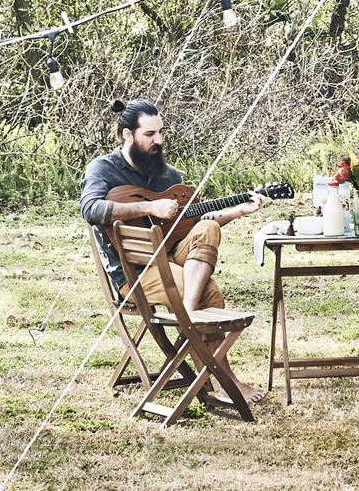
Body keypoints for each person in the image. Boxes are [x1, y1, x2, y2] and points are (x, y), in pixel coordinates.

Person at [79, 99, 266, 404]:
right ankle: (226, 380)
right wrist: (148, 206)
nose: (159, 141)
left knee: (209, 229)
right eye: (150, 134)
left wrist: (238, 211)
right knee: (213, 295)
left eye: (161, 133)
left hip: (170, 256)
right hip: (134, 272)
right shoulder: (103, 169)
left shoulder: (169, 177)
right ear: (128, 135)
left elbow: (194, 222)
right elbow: (91, 209)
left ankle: (188, 312)